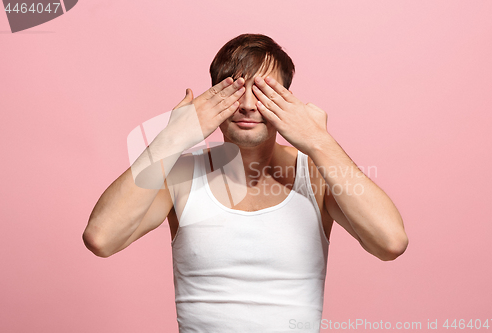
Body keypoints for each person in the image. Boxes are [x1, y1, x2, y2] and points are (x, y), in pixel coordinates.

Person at [83, 33, 408, 332]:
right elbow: (101, 238)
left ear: (288, 101)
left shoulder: (316, 175)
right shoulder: (179, 176)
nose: (249, 105)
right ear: (213, 96)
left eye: (265, 92)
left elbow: (390, 242)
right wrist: (172, 138)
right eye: (236, 89)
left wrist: (318, 141)